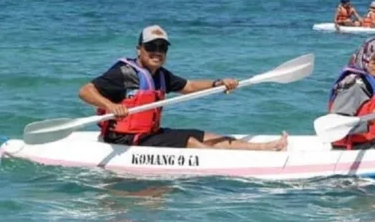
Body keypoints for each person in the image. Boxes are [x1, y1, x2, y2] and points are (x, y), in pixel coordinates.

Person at [78, 25, 289, 150]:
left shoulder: (160, 75)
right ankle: (226, 163)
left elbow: (189, 86)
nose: (157, 52)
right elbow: (86, 91)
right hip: (124, 140)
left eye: (162, 48)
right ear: (139, 49)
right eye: (151, 47)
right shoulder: (122, 72)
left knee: (208, 136)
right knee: (189, 142)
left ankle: (265, 148)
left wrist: (218, 83)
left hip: (149, 134)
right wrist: (111, 106)